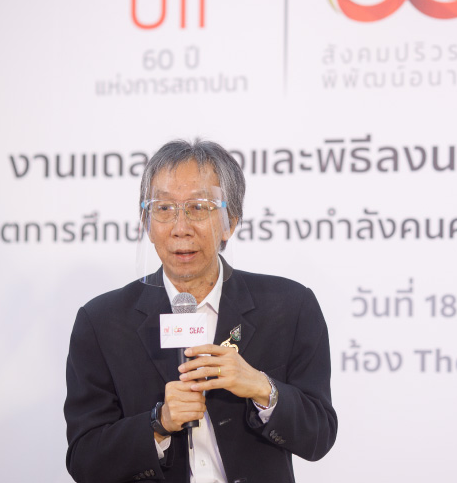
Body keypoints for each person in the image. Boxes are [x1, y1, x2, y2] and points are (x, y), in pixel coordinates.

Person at [64, 139, 337, 483]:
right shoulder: (102, 322)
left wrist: (262, 388)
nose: (181, 228)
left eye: (198, 207)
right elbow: (85, 459)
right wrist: (159, 423)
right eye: (164, 208)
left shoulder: (289, 306)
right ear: (147, 223)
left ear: (230, 222)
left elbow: (319, 436)